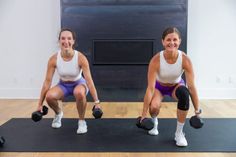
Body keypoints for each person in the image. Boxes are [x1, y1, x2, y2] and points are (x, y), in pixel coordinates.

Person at [140, 27, 201, 147]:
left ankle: (179, 133)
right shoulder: (156, 60)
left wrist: (197, 111)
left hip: (176, 85)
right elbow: (150, 88)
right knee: (154, 108)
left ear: (179, 41)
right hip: (159, 87)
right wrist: (144, 115)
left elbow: (192, 86)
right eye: (168, 40)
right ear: (163, 41)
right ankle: (155, 123)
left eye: (175, 39)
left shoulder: (185, 60)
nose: (172, 43)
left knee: (184, 94)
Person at [36, 28, 101, 134]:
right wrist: (39, 104)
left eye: (69, 38)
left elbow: (89, 81)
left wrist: (97, 102)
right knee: (49, 96)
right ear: (59, 41)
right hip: (63, 85)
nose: (66, 41)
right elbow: (47, 82)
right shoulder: (53, 59)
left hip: (79, 84)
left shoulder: (80, 58)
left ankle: (82, 121)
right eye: (63, 38)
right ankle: (58, 113)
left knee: (79, 92)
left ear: (73, 41)